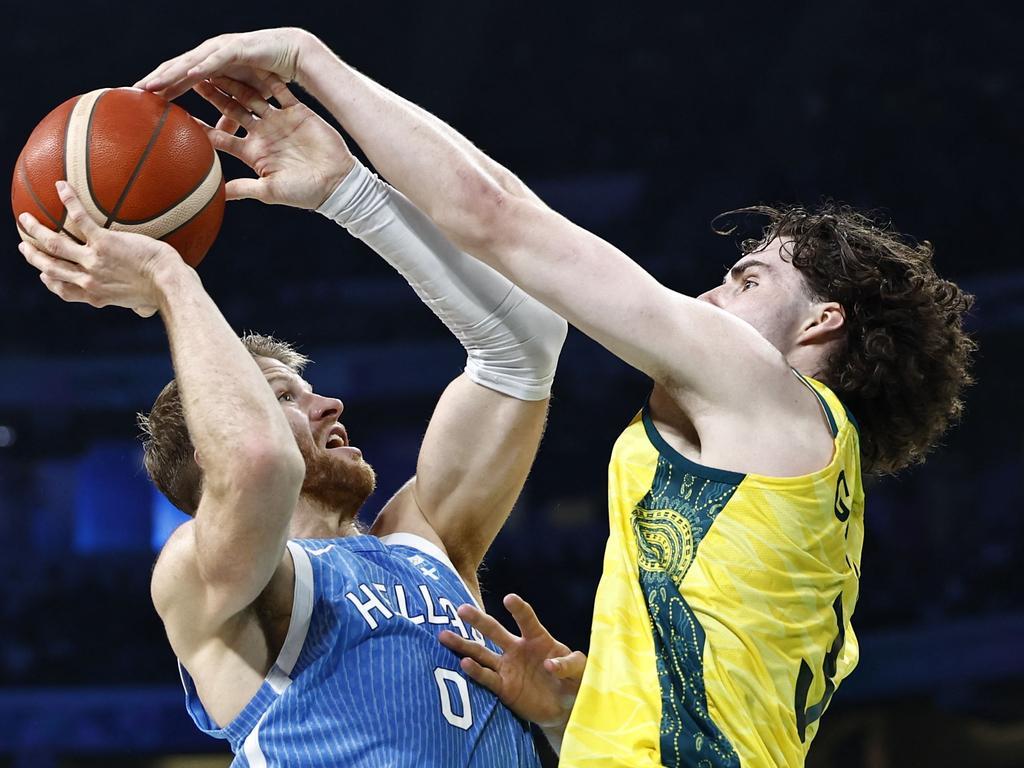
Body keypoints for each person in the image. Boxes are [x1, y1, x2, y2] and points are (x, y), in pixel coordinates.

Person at [136, 28, 975, 767]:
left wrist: (310, 62)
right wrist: (586, 705)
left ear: (823, 323)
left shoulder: (760, 388)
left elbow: (496, 218)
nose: (710, 301)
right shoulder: (816, 485)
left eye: (746, 279)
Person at [16, 71, 569, 765]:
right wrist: (170, 279)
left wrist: (350, 195)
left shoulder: (426, 539)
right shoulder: (206, 578)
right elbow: (257, 464)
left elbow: (523, 345)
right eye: (284, 397)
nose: (329, 404)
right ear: (205, 457)